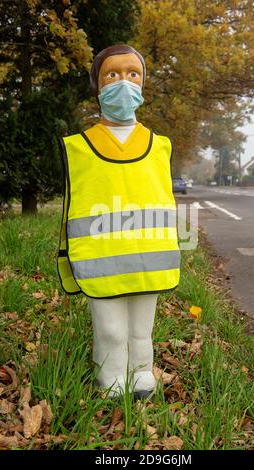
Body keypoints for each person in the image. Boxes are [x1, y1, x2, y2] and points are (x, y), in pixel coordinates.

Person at [57, 44, 181, 400]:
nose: (123, 83)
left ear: (142, 84)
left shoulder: (161, 146)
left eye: (133, 74)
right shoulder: (78, 147)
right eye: (112, 74)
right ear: (98, 86)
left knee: (143, 328)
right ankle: (110, 377)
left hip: (149, 259)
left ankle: (141, 370)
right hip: (101, 262)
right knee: (110, 329)